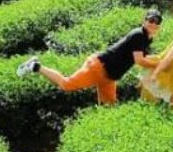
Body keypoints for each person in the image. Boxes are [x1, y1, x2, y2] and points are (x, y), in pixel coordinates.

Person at [17, 10, 163, 105]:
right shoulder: (138, 35)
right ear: (144, 21)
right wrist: (159, 65)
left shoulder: (147, 39)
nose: (153, 24)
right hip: (99, 67)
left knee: (109, 107)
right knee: (67, 84)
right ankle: (35, 66)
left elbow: (143, 57)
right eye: (151, 20)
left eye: (156, 22)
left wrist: (161, 59)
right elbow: (139, 60)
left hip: (109, 77)